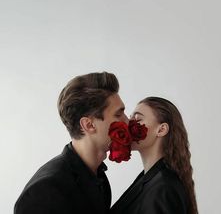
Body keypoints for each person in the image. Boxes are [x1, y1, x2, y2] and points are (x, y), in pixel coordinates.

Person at [14, 71, 128, 214]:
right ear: (89, 125)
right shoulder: (45, 190)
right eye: (118, 114)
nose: (127, 121)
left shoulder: (98, 176)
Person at [110, 97, 198, 214]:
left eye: (137, 119)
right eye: (130, 118)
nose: (127, 124)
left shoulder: (163, 188)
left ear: (161, 130)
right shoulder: (151, 179)